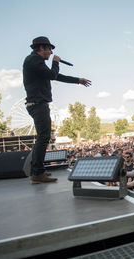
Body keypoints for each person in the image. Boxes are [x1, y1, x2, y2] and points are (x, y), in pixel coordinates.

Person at [23, 36, 91, 184]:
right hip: (38, 104)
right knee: (43, 137)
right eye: (49, 49)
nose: (51, 51)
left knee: (43, 137)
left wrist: (77, 80)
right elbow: (53, 75)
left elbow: (56, 76)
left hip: (38, 103)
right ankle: (37, 173)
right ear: (41, 48)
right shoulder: (33, 60)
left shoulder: (36, 62)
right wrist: (55, 62)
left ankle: (38, 171)